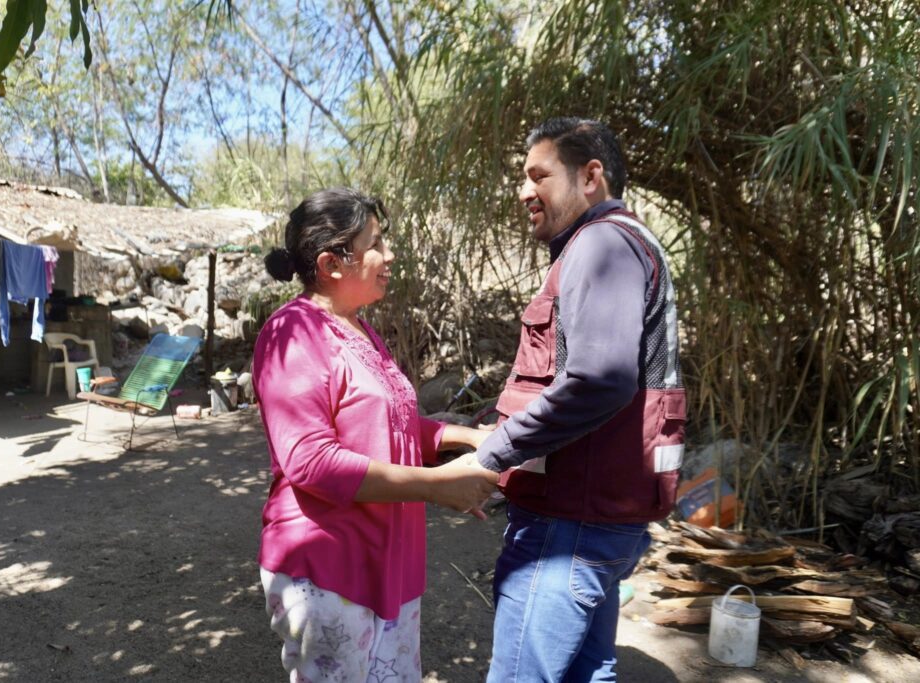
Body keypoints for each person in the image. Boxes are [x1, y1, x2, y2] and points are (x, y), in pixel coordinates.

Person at [253, 187, 500, 683]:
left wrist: (467, 437)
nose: (390, 255)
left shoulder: (359, 329)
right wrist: (437, 486)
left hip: (387, 561)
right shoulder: (293, 333)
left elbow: (390, 423)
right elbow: (311, 461)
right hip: (329, 567)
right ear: (331, 264)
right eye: (375, 244)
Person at [475, 118, 686, 682]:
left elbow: (599, 381)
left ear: (590, 177)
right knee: (589, 671)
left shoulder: (601, 244)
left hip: (569, 524)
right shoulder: (630, 241)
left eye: (538, 175)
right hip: (603, 515)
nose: (523, 191)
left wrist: (491, 455)